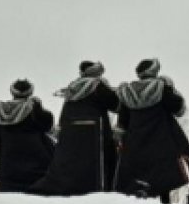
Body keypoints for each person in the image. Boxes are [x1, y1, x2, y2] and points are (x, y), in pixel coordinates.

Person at [115, 58, 189, 204]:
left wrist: (120, 139)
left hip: (135, 139)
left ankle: (140, 198)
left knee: (139, 171)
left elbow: (123, 120)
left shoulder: (127, 92)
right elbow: (178, 108)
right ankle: (164, 201)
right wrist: (171, 89)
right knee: (162, 172)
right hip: (160, 138)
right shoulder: (161, 88)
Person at [30, 61, 121, 196]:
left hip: (72, 131)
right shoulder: (98, 85)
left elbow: (65, 111)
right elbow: (116, 104)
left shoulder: (72, 88)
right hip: (95, 131)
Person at [0, 79, 55, 193]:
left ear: (12, 92)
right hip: (36, 163)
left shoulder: (1, 112)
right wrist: (39, 106)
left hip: (8, 166)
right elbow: (48, 124)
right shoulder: (34, 108)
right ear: (30, 92)